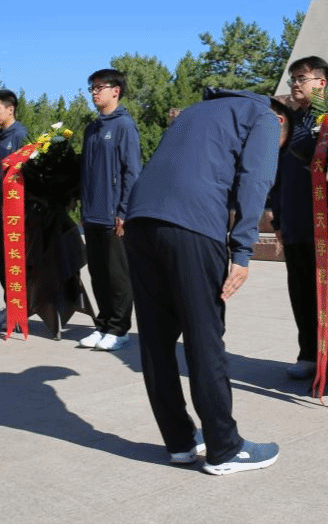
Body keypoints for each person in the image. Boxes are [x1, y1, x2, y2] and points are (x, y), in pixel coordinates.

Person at [124, 88, 290, 475]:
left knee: (156, 341)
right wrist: (242, 251)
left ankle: (180, 442)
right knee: (204, 338)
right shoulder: (265, 117)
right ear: (281, 121)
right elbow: (255, 180)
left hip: (140, 220)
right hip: (192, 223)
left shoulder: (196, 111)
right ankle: (224, 449)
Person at [272, 55, 328, 380]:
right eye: (292, 79)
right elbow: (277, 175)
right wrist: (278, 220)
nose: (295, 84)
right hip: (295, 223)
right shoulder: (288, 123)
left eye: (301, 78)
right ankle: (308, 353)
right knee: (301, 292)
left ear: (321, 82)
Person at [78, 69, 141, 352]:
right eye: (91, 88)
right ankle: (102, 324)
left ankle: (119, 329)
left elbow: (132, 172)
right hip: (92, 214)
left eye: (99, 87)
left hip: (114, 215)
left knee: (118, 275)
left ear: (116, 91)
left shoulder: (124, 126)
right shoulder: (92, 129)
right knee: (98, 273)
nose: (94, 92)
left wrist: (124, 211)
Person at [0, 88, 28, 328]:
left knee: (15, 264)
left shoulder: (21, 136)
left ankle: (20, 313)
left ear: (10, 109)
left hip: (13, 214)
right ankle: (10, 306)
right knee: (2, 264)